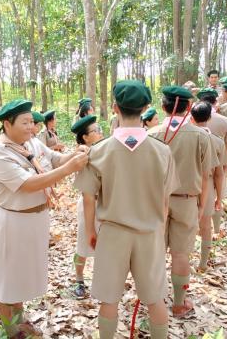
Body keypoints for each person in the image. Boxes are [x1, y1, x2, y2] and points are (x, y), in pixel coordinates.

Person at [75, 80, 179, 339]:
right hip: (149, 233)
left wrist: (91, 230)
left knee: (109, 300)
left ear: (114, 108)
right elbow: (165, 201)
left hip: (112, 233)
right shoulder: (162, 151)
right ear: (145, 108)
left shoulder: (99, 151)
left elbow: (89, 198)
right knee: (155, 300)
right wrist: (159, 229)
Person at [0, 99, 88, 338]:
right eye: (24, 122)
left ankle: (20, 320)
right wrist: (69, 168)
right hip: (13, 222)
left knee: (21, 274)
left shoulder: (31, 143)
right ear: (6, 124)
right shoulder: (0, 155)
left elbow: (55, 159)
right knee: (7, 278)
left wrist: (75, 155)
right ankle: (11, 331)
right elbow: (30, 184)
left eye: (32, 122)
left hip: (36, 220)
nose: (30, 127)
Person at [148, 86, 216, 318]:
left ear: (163, 106)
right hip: (187, 200)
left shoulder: (152, 133)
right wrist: (200, 207)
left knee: (155, 252)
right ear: (189, 107)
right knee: (180, 254)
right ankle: (178, 304)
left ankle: (153, 302)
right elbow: (206, 176)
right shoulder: (200, 136)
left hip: (156, 201)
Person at [190, 102, 227, 272]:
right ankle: (203, 262)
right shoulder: (217, 142)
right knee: (206, 226)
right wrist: (219, 197)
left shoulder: (187, 137)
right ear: (209, 118)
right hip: (208, 187)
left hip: (187, 186)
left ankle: (181, 260)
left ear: (191, 118)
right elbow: (219, 173)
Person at [70, 115, 103, 299]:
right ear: (85, 137)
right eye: (95, 131)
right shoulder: (81, 155)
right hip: (87, 204)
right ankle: (79, 280)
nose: (100, 133)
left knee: (103, 244)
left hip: (105, 204)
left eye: (100, 130)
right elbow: (85, 192)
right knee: (83, 243)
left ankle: (101, 280)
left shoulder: (104, 150)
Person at [197, 87, 227, 235]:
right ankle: (217, 229)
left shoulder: (191, 120)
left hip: (197, 171)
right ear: (215, 102)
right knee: (216, 198)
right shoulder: (225, 121)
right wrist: (225, 166)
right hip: (217, 165)